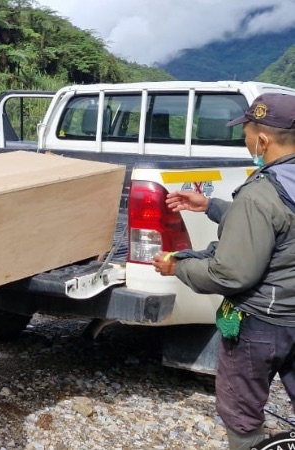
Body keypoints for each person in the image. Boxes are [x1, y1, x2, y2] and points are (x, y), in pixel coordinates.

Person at [152, 93, 295, 450]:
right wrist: (212, 206)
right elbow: (280, 226)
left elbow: (231, 274)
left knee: (242, 412)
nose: (245, 140)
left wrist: (179, 265)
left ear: (263, 139)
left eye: (246, 132)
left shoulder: (259, 194)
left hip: (262, 323)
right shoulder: (281, 185)